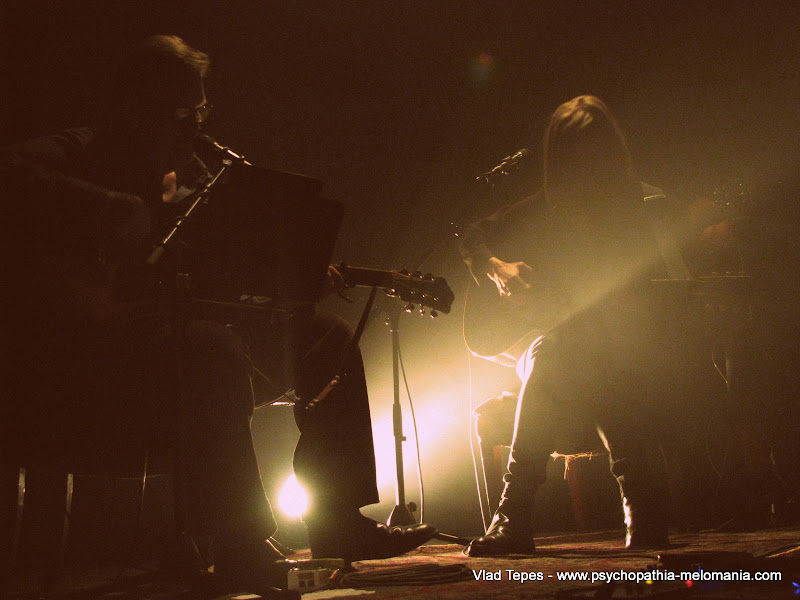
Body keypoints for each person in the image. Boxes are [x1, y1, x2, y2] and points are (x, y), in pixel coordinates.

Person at [1, 35, 434, 595]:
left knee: (324, 339)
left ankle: (337, 523)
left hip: (179, 344)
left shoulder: (199, 176)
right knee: (211, 351)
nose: (194, 126)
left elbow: (224, 274)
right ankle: (240, 541)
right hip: (89, 363)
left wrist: (289, 275)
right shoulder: (82, 150)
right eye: (179, 113)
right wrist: (105, 204)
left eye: (200, 110)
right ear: (133, 107)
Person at [460, 95, 691, 556]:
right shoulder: (545, 205)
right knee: (563, 349)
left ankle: (513, 515)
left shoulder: (633, 211)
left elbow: (641, 300)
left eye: (591, 152)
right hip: (544, 344)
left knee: (581, 353)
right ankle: (644, 508)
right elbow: (472, 237)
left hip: (605, 347)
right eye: (572, 154)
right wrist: (498, 267)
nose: (582, 166)